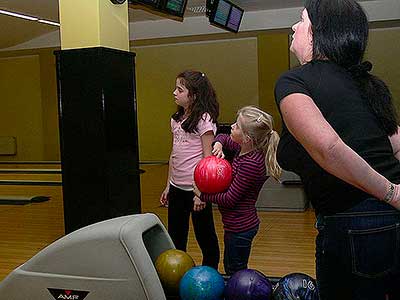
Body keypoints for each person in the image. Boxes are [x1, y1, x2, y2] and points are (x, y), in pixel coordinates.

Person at [274, 1, 400, 299]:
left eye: (301, 20)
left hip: (354, 223)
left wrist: (392, 193)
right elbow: (394, 144)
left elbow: (328, 148)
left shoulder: (292, 81)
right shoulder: (367, 83)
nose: (294, 27)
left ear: (318, 32)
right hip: (389, 220)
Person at [193, 105, 281, 275]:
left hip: (241, 227)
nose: (232, 126)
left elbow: (230, 198)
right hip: (234, 225)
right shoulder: (243, 149)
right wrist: (218, 144)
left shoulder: (252, 163)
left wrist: (202, 194)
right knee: (231, 266)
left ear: (247, 138)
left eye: (237, 125)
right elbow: (223, 137)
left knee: (235, 270)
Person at [160, 70, 220, 270]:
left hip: (196, 190)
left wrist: (201, 193)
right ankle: (178, 274)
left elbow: (208, 158)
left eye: (180, 89)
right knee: (176, 235)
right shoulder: (176, 119)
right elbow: (173, 154)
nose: (174, 93)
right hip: (177, 187)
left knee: (205, 236)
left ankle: (210, 273)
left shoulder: (204, 120)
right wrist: (168, 185)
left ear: (193, 95)